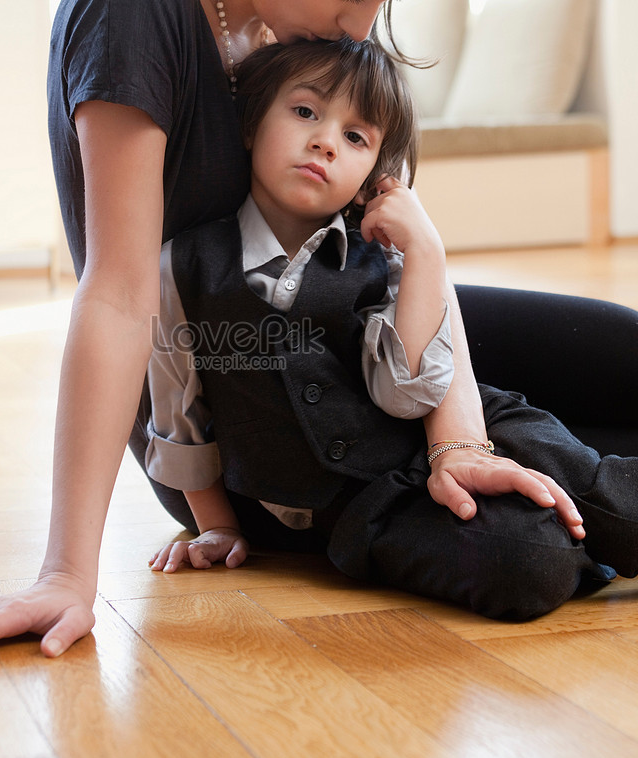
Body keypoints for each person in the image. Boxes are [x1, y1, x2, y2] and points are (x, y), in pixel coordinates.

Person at [0, 0, 638, 662]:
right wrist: (66, 572)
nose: (365, 28)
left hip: (359, 332)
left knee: (619, 356)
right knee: (545, 506)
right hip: (258, 409)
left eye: (384, 2)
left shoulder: (316, 25)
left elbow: (404, 250)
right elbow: (117, 294)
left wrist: (458, 442)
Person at [144, 38, 638, 619]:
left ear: (373, 174)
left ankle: (585, 521)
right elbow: (180, 411)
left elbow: (406, 394)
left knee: (619, 507)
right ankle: (571, 542)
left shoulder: (385, 256)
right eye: (305, 111)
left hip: (467, 427)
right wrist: (217, 527)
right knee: (530, 560)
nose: (325, 141)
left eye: (356, 137)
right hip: (369, 505)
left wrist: (426, 249)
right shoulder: (181, 265)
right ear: (251, 124)